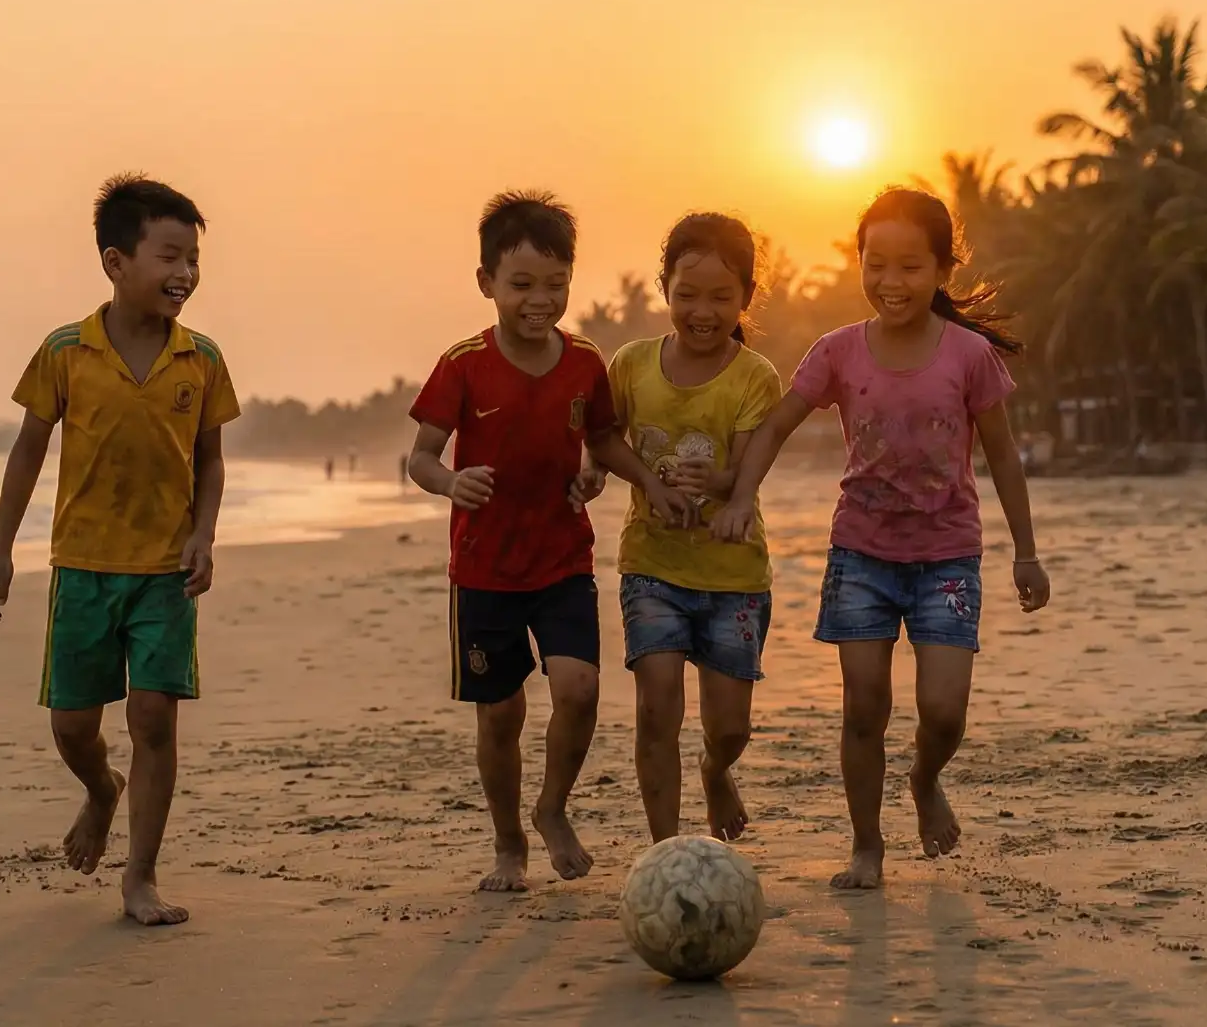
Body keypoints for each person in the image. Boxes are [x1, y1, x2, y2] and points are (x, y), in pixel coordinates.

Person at [711, 187, 1051, 889]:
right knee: (865, 705)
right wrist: (742, 494)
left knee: (943, 711)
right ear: (858, 261)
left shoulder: (969, 354)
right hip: (861, 555)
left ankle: (925, 779)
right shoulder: (836, 351)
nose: (890, 283)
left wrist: (1026, 552)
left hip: (948, 558)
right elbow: (777, 424)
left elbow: (1004, 455)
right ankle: (867, 846)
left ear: (941, 272)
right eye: (876, 264)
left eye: (910, 267)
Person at [0, 173, 239, 925]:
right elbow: (28, 451)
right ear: (115, 262)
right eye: (168, 255)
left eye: (193, 257)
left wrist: (203, 533)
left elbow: (211, 459)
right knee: (72, 727)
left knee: (153, 718)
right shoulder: (66, 352)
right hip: (84, 569)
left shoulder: (202, 358)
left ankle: (141, 875)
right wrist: (2, 549)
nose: (184, 272)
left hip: (164, 572)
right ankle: (101, 788)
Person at [407, 190, 686, 893]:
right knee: (500, 716)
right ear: (487, 285)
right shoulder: (464, 363)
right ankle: (509, 845)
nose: (540, 299)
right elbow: (421, 455)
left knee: (581, 688)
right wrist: (449, 483)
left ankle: (551, 808)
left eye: (555, 284)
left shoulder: (584, 363)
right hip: (484, 570)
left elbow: (602, 442)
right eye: (521, 284)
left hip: (563, 557)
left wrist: (637, 480)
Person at [570, 213, 781, 845]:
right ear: (664, 288)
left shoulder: (755, 377)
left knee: (730, 729)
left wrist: (713, 485)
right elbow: (604, 437)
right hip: (651, 566)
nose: (702, 311)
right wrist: (635, 480)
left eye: (721, 297)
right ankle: (663, 850)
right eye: (686, 294)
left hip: (733, 572)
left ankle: (716, 772)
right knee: (656, 705)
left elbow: (745, 473)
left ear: (745, 296)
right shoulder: (632, 364)